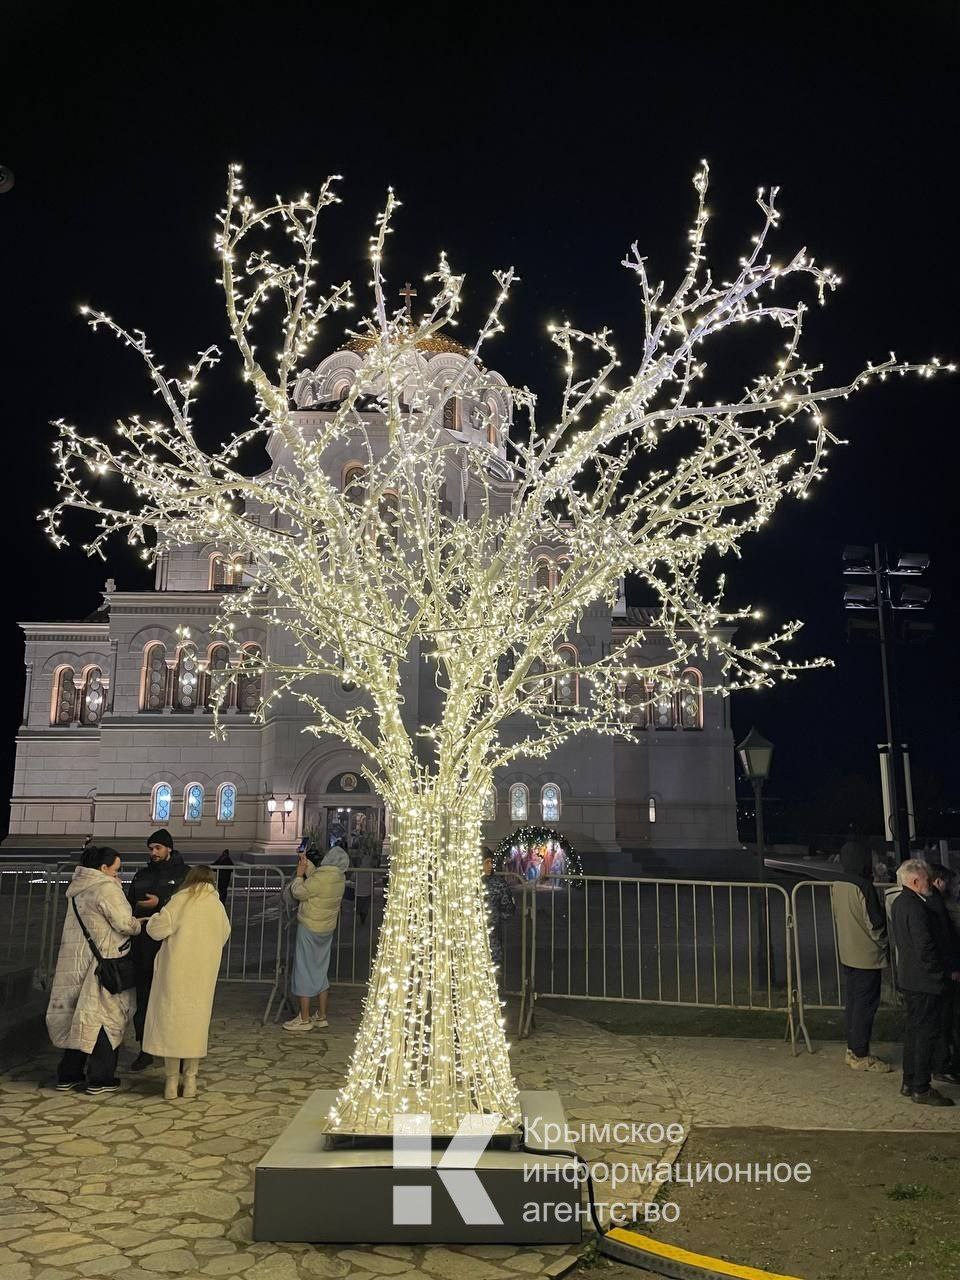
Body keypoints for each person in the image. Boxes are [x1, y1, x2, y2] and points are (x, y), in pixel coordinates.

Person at [46, 845, 142, 1094]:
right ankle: (100, 1077)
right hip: (103, 963)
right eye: (116, 869)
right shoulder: (106, 888)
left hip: (76, 961)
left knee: (79, 1016)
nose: (118, 873)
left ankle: (68, 1074)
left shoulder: (78, 888)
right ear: (103, 868)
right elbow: (124, 923)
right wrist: (139, 924)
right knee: (105, 1018)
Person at [142, 867, 231, 1100]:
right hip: (203, 974)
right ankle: (191, 1079)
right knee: (195, 1026)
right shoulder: (216, 906)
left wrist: (152, 919)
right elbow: (224, 934)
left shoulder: (179, 902)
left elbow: (156, 930)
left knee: (172, 1024)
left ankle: (171, 1081)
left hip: (175, 973)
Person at [891, 859, 959, 1106]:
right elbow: (925, 947)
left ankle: (910, 1081)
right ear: (915, 881)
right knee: (925, 1034)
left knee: (914, 1032)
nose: (929, 883)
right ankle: (921, 1086)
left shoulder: (901, 903)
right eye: (926, 880)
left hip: (911, 979)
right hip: (925, 981)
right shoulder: (916, 907)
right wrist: (939, 974)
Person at [127, 828, 188, 1070]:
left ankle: (178, 1051)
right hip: (144, 946)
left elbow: (185, 906)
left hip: (171, 947)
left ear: (168, 848)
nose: (153, 852)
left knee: (172, 1000)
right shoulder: (142, 875)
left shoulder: (184, 875)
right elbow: (130, 901)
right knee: (144, 998)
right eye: (151, 848)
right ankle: (145, 1048)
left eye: (158, 848)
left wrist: (159, 903)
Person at [831, 840, 890, 1072]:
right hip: (867, 955)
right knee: (865, 1007)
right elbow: (875, 924)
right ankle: (860, 1053)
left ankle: (852, 1048)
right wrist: (884, 944)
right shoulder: (864, 886)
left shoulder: (838, 883)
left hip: (847, 952)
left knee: (854, 1004)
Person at [283, 846, 348, 1032]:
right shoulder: (339, 878)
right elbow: (317, 880)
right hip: (326, 929)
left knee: (303, 970)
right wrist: (306, 863)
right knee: (320, 970)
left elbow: (300, 892)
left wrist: (298, 876)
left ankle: (304, 1018)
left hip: (309, 927)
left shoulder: (320, 879)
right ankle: (321, 1016)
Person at [927, 863, 960, 1084]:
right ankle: (945, 1064)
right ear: (939, 881)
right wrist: (953, 968)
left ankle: (941, 1063)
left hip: (941, 972)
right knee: (949, 1019)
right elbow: (947, 941)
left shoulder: (930, 903)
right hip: (948, 972)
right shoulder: (942, 906)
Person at [483, 851, 516, 970]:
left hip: (493, 938)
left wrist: (495, 918)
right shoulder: (468, 884)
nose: (490, 866)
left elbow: (509, 908)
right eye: (487, 862)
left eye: (491, 862)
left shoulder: (499, 883)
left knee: (494, 967)